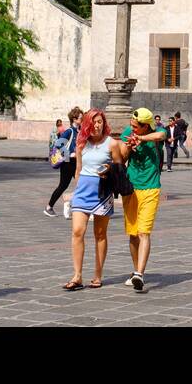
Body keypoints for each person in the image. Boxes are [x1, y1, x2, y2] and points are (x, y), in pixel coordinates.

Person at [65, 109, 123, 290]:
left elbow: (119, 168)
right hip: (82, 191)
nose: (97, 125)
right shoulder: (81, 143)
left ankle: (98, 274)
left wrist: (109, 171)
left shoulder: (111, 143)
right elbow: (78, 169)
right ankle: (77, 276)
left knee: (99, 234)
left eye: (100, 122)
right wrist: (75, 190)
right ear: (87, 124)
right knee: (77, 231)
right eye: (94, 122)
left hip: (102, 192)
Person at [120, 108, 170, 291]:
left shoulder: (157, 131)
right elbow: (122, 158)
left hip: (151, 188)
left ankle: (140, 274)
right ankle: (135, 271)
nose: (132, 129)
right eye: (131, 126)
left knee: (144, 232)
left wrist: (140, 139)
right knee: (133, 235)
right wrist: (129, 147)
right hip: (131, 188)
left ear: (146, 126)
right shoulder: (128, 133)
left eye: (135, 127)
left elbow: (161, 136)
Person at [45, 107, 82, 217]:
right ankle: (49, 207)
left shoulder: (79, 131)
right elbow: (58, 144)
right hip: (67, 163)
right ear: (74, 119)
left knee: (82, 184)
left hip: (76, 163)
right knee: (63, 186)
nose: (82, 120)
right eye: (81, 118)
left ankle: (73, 206)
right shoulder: (69, 131)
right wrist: (69, 154)